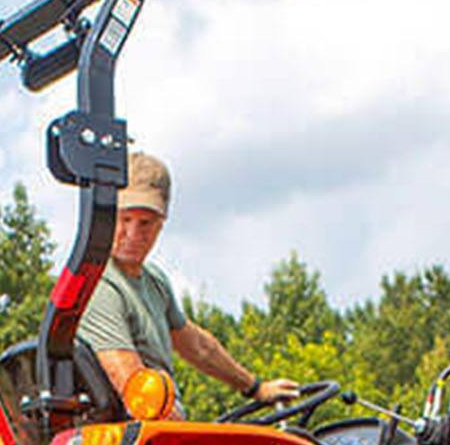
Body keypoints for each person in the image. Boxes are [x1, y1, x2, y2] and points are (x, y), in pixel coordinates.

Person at [76, 153, 300, 416]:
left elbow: (198, 347)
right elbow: (132, 386)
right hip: (138, 434)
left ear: (161, 224)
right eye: (125, 220)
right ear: (107, 216)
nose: (133, 235)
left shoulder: (154, 281)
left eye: (145, 223)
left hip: (162, 428)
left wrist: (255, 387)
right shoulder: (101, 285)